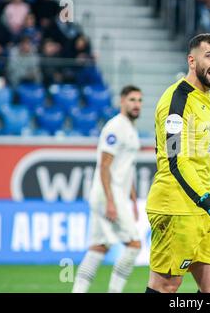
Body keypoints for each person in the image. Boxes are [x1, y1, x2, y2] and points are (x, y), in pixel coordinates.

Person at [145, 33, 210, 294]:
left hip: (204, 207)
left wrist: (208, 203)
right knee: (166, 285)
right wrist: (208, 201)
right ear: (192, 60)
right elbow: (176, 159)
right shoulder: (176, 100)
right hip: (177, 205)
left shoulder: (208, 99)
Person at [72, 85, 143, 293]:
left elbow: (125, 167)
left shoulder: (130, 128)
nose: (136, 104)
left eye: (139, 100)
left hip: (115, 195)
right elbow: (104, 165)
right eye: (132, 100)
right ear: (122, 101)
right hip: (108, 195)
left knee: (98, 247)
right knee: (134, 245)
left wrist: (133, 199)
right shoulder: (115, 127)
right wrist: (111, 201)